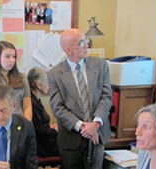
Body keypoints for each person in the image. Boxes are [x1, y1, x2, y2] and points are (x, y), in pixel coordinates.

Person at [47, 28, 113, 169]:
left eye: (86, 40)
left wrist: (95, 124)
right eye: (82, 42)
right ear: (69, 50)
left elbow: (106, 96)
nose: (87, 45)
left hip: (97, 134)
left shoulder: (101, 65)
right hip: (70, 140)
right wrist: (83, 127)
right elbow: (57, 107)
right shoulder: (54, 74)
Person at [0, 40, 32, 121]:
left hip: (20, 124)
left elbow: (27, 107)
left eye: (14, 57)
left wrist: (26, 126)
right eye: (7, 56)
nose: (12, 60)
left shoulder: (22, 78)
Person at [27, 67, 59, 157]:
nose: (49, 85)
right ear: (38, 84)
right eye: (47, 82)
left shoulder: (36, 100)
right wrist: (55, 130)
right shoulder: (32, 104)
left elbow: (42, 127)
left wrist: (50, 128)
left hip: (46, 141)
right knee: (73, 147)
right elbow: (39, 133)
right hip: (42, 146)